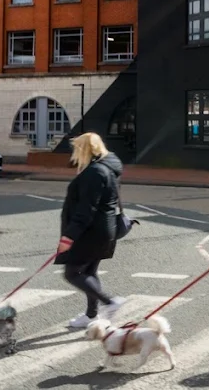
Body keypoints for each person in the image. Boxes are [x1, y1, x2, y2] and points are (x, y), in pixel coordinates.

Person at [57, 132, 126, 329]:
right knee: (89, 272)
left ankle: (109, 302)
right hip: (103, 229)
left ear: (84, 150)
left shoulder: (95, 172)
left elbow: (86, 209)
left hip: (91, 232)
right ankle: (91, 315)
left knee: (72, 273)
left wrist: (68, 237)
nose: (74, 153)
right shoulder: (107, 168)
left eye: (77, 149)